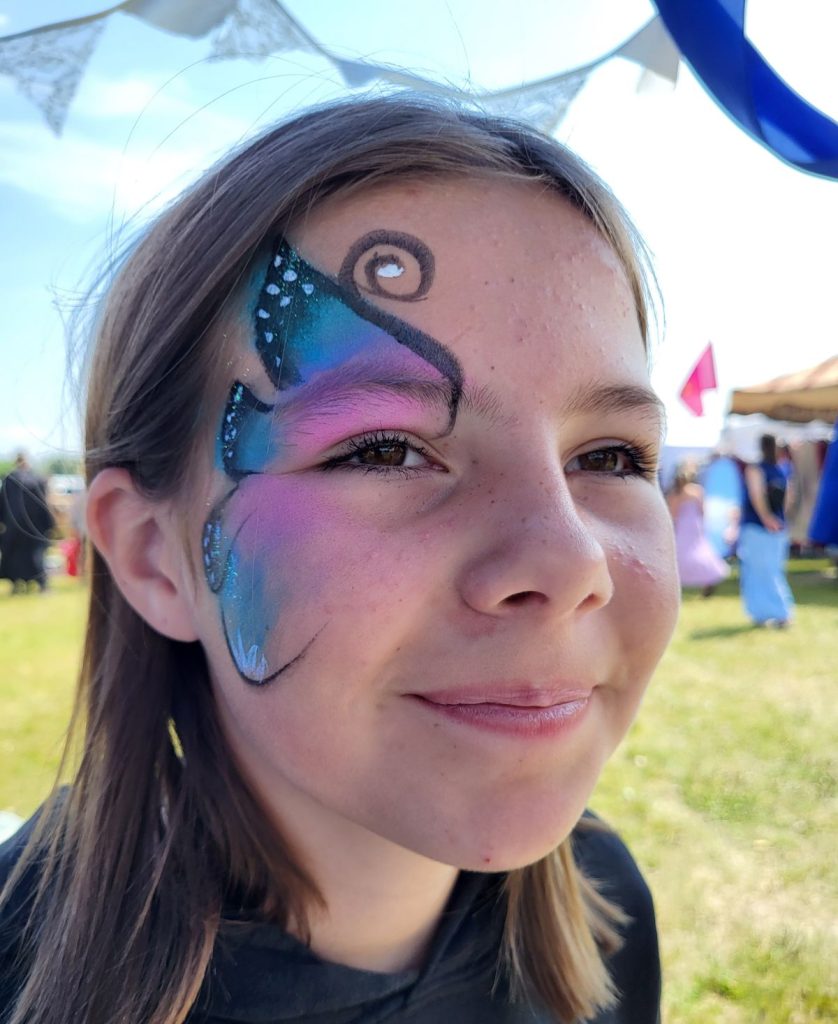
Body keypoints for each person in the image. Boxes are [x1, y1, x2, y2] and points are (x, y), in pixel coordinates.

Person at [0, 95, 680, 1024]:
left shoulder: (610, 926)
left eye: (610, 458)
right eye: (384, 450)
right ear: (154, 557)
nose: (569, 562)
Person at [738, 433, 795, 627]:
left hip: (758, 527)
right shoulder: (782, 469)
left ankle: (776, 613)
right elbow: (789, 499)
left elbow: (756, 495)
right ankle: (772, 613)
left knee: (759, 571)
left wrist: (766, 518)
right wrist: (777, 518)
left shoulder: (757, 469)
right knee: (773, 570)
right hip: (777, 528)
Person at [666, 462, 730, 596]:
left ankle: (681, 581)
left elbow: (673, 514)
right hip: (695, 526)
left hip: (682, 526)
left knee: (681, 553)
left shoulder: (675, 494)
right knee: (701, 551)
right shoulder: (696, 490)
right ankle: (707, 580)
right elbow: (702, 511)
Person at [0, 453, 55, 594]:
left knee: (15, 556)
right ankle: (42, 585)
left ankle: (17, 584)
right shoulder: (37, 480)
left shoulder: (9, 480)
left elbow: (2, 503)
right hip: (35, 526)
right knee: (36, 555)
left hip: (13, 526)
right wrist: (49, 523)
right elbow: (43, 503)